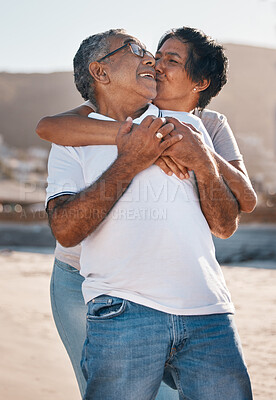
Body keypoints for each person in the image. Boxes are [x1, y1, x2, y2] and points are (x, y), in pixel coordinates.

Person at [44, 28, 253, 399]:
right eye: (139, 50)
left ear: (199, 83)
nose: (153, 61)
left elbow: (237, 210)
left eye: (169, 59)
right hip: (99, 290)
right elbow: (49, 129)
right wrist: (136, 147)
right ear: (101, 73)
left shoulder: (200, 126)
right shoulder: (78, 134)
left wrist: (201, 157)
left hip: (204, 307)